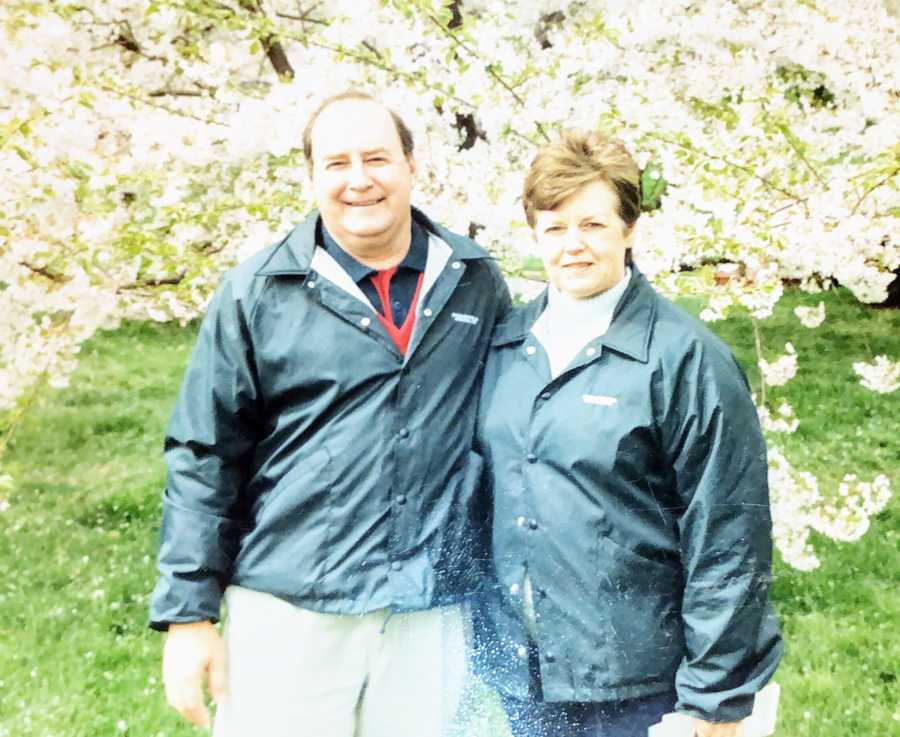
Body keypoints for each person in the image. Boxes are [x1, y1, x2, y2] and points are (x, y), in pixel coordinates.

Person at [149, 90, 511, 737]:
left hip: (426, 608)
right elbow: (205, 453)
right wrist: (188, 615)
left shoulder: (476, 282)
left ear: (412, 166)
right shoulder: (258, 292)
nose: (359, 179)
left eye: (376, 157)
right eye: (336, 163)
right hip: (292, 609)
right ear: (311, 176)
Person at [473, 129, 782, 737]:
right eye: (555, 228)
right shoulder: (506, 344)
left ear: (630, 229)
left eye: (593, 225)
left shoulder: (686, 359)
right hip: (525, 678)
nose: (573, 246)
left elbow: (729, 535)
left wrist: (712, 699)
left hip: (641, 690)